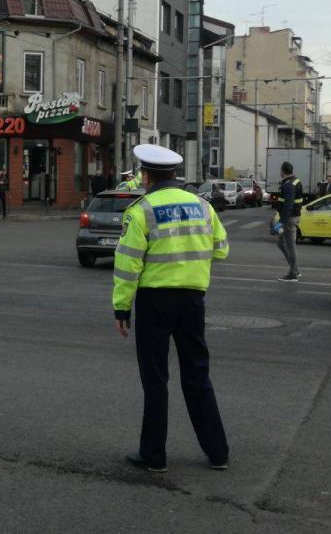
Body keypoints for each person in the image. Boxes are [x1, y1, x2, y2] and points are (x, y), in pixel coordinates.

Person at [112, 144, 229, 472]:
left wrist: (122, 309)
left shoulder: (141, 210)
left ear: (146, 176)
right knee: (197, 376)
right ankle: (218, 452)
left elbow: (127, 265)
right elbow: (221, 250)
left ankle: (154, 456)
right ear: (175, 175)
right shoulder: (203, 207)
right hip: (193, 301)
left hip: (154, 302)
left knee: (155, 379)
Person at [276, 162, 304, 282]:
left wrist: (281, 222)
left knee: (289, 245)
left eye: (280, 170)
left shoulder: (289, 185)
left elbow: (288, 205)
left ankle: (293, 273)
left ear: (283, 171)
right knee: (281, 243)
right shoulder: (296, 181)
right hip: (291, 218)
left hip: (288, 220)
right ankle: (294, 269)